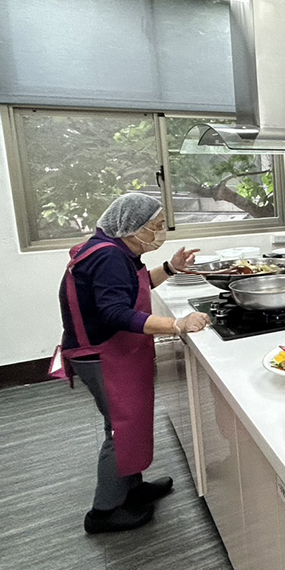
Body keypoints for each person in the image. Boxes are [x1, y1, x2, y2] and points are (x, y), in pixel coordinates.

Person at [55, 192, 210, 535]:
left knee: (132, 421)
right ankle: (104, 511)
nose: (160, 232)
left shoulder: (113, 249)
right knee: (120, 427)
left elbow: (133, 287)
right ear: (132, 227)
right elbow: (115, 312)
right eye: (156, 225)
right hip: (103, 355)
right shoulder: (108, 257)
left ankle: (130, 487)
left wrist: (170, 268)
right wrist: (177, 324)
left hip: (112, 351)